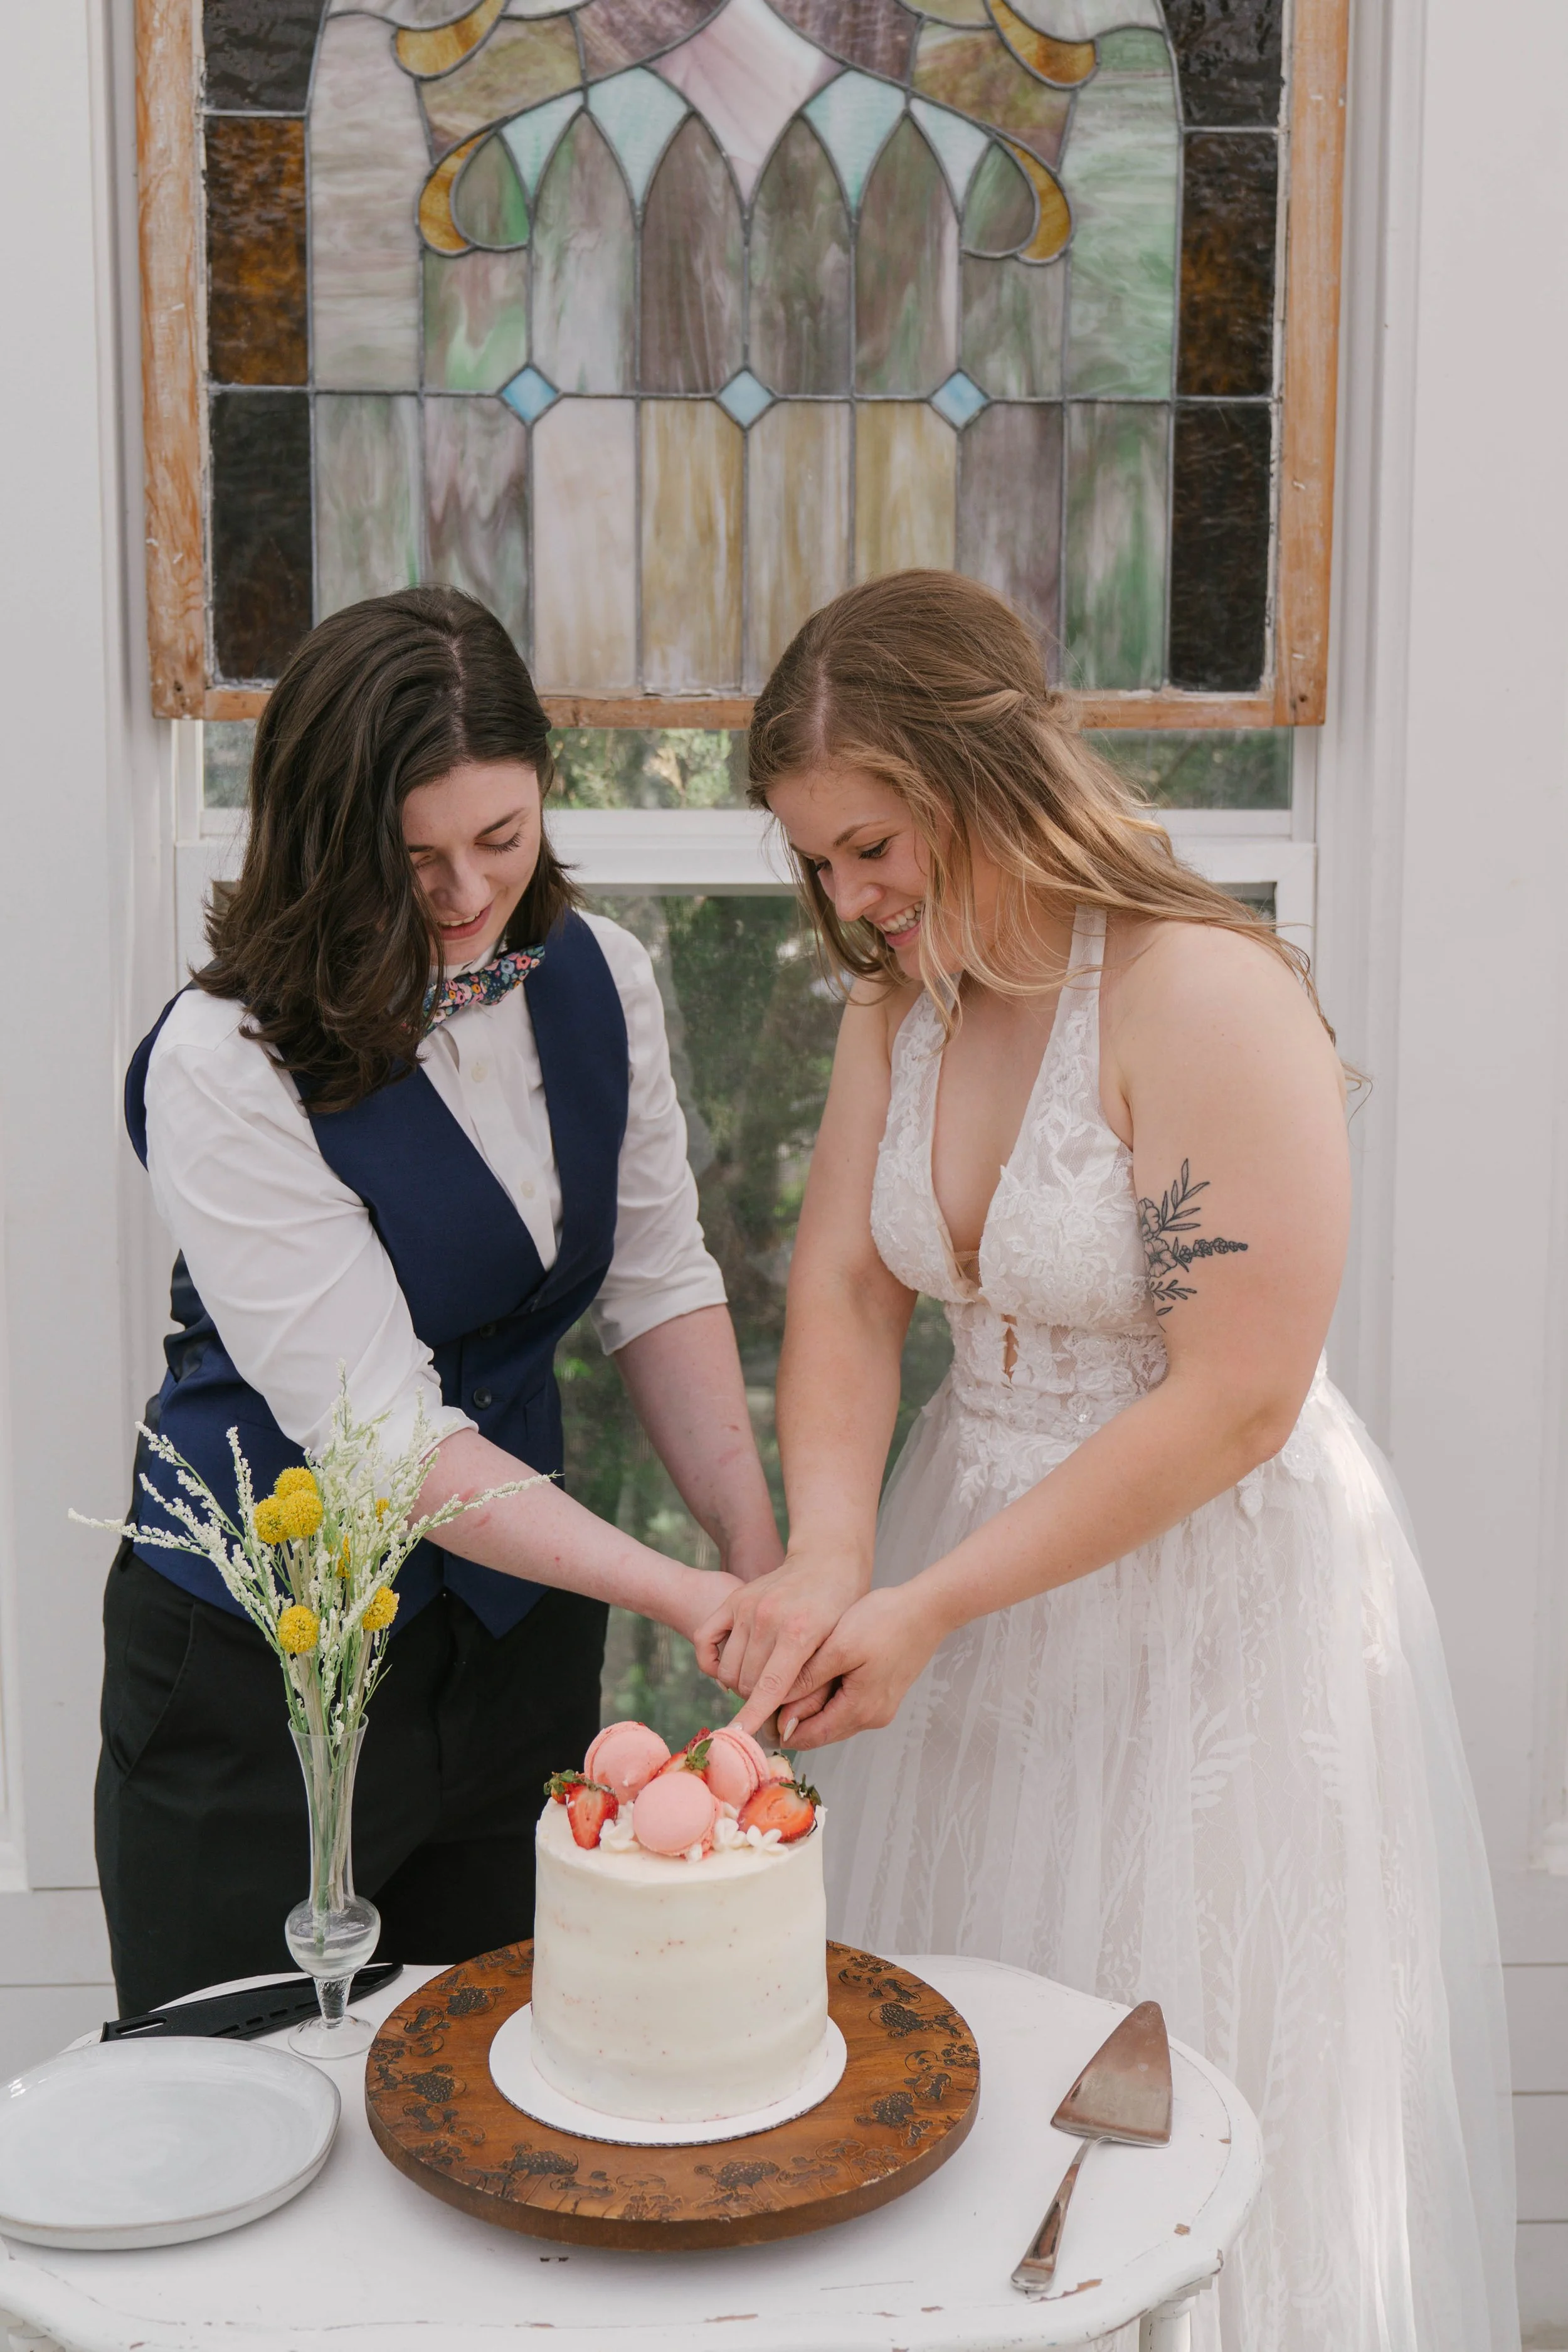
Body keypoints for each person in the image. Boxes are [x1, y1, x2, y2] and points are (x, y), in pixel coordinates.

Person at [697, 571, 1517, 2350]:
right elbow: (843, 1283)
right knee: (970, 2065)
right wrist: (833, 1552)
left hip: (1207, 1591)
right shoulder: (897, 1004)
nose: (850, 900)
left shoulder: (1199, 990)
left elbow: (1237, 1396)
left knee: (1178, 2073)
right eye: (819, 863)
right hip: (961, 1557)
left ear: (982, 772)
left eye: (872, 846)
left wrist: (929, 1602)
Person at [98, 587, 780, 2016]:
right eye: (414, 861)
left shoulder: (602, 981)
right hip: (260, 1676)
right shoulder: (223, 1062)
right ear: (321, 845)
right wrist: (680, 1592)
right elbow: (386, 1442)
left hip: (520, 1645)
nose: (468, 896)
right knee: (244, 2077)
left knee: (498, 2072)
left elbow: (658, 1283)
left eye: (502, 839)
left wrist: (755, 1555)